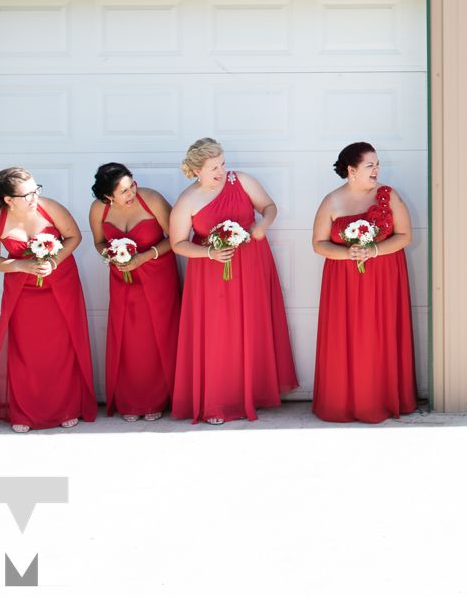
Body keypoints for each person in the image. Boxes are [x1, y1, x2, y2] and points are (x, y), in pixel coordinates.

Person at [168, 138, 298, 424]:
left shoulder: (240, 181)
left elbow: (269, 207)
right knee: (218, 335)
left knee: (252, 326)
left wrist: (261, 225)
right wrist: (209, 253)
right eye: (213, 167)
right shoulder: (187, 201)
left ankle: (253, 393)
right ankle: (218, 402)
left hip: (252, 264)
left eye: (222, 164)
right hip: (211, 272)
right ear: (196, 170)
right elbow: (177, 243)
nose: (221, 171)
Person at [0, 167, 97, 431]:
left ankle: (66, 408)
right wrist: (21, 266)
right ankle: (24, 413)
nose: (34, 197)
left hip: (60, 285)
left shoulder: (51, 208)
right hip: (21, 292)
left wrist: (53, 261)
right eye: (27, 194)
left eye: (36, 190)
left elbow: (75, 237)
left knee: (62, 346)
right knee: (25, 350)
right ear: (8, 200)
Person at [310, 141, 418, 423]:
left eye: (377, 164)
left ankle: (380, 399)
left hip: (384, 278)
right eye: (370, 165)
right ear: (351, 170)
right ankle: (342, 403)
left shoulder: (388, 196)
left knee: (379, 335)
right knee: (345, 338)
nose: (376, 170)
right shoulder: (331, 201)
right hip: (343, 282)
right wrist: (348, 254)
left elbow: (405, 236)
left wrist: (374, 251)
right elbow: (319, 244)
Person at [88, 162, 181, 421]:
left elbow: (176, 238)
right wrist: (112, 256)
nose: (132, 194)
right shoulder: (98, 209)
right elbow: (99, 242)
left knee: (159, 334)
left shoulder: (151, 199)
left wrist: (144, 257)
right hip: (122, 280)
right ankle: (132, 400)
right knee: (128, 338)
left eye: (132, 186)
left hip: (158, 276)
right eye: (124, 191)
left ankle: (161, 398)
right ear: (108, 197)